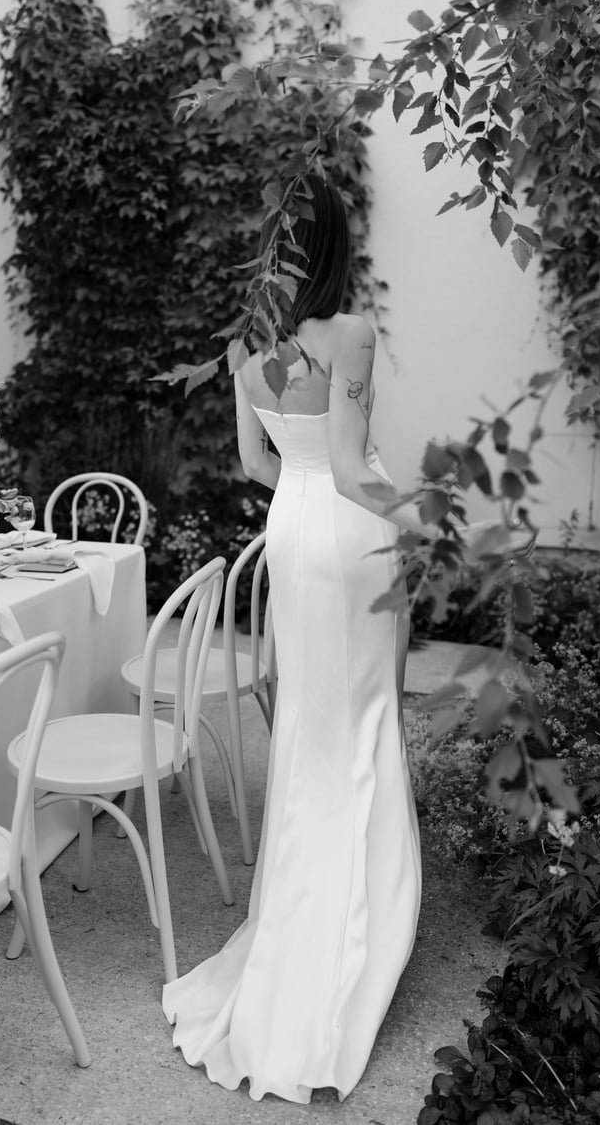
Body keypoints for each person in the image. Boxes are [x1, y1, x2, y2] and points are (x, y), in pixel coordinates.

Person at [161, 175, 452, 1102]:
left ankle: (302, 910)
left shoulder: (247, 351)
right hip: (348, 534)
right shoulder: (350, 332)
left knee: (312, 721)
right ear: (337, 243)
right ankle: (358, 923)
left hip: (290, 530)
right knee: (364, 713)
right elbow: (358, 473)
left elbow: (257, 462)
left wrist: (305, 477)